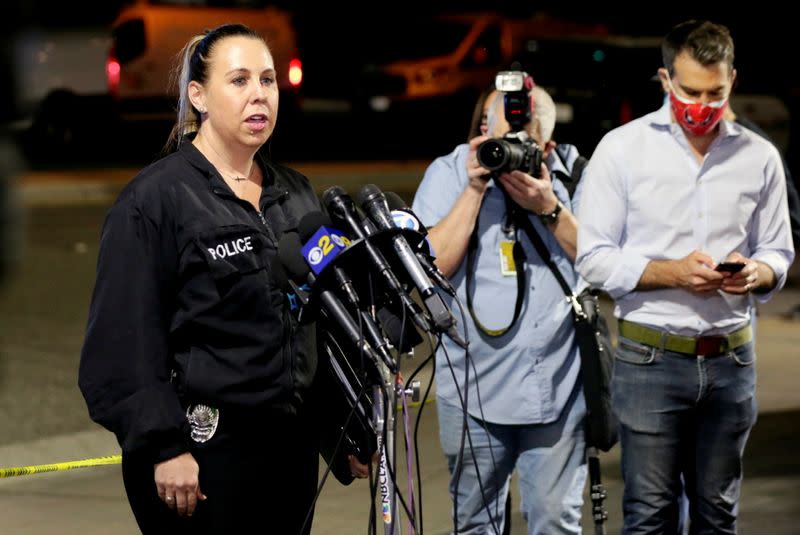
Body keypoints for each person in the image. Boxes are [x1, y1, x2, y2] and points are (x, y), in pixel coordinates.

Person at [78, 24, 329, 534]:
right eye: (238, 81)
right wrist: (163, 445)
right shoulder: (155, 201)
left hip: (289, 456)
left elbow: (318, 326)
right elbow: (121, 344)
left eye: (268, 80)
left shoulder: (298, 196)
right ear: (199, 95)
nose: (258, 94)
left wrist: (339, 435)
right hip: (200, 458)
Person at [576, 20, 795, 534]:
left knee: (718, 515)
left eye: (715, 92)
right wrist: (669, 273)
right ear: (665, 79)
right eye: (690, 90)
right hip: (650, 360)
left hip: (731, 361)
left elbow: (778, 252)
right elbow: (594, 258)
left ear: (732, 81)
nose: (702, 104)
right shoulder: (622, 149)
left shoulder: (759, 157)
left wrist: (756, 272)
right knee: (649, 515)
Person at [412, 79, 587, 534]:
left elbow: (602, 263)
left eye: (520, 140)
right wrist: (473, 189)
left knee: (555, 521)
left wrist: (548, 206)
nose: (506, 151)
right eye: (498, 138)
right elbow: (433, 268)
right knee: (475, 524)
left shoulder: (572, 173)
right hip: (472, 387)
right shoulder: (450, 171)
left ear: (546, 145)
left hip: (557, 387)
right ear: (481, 130)